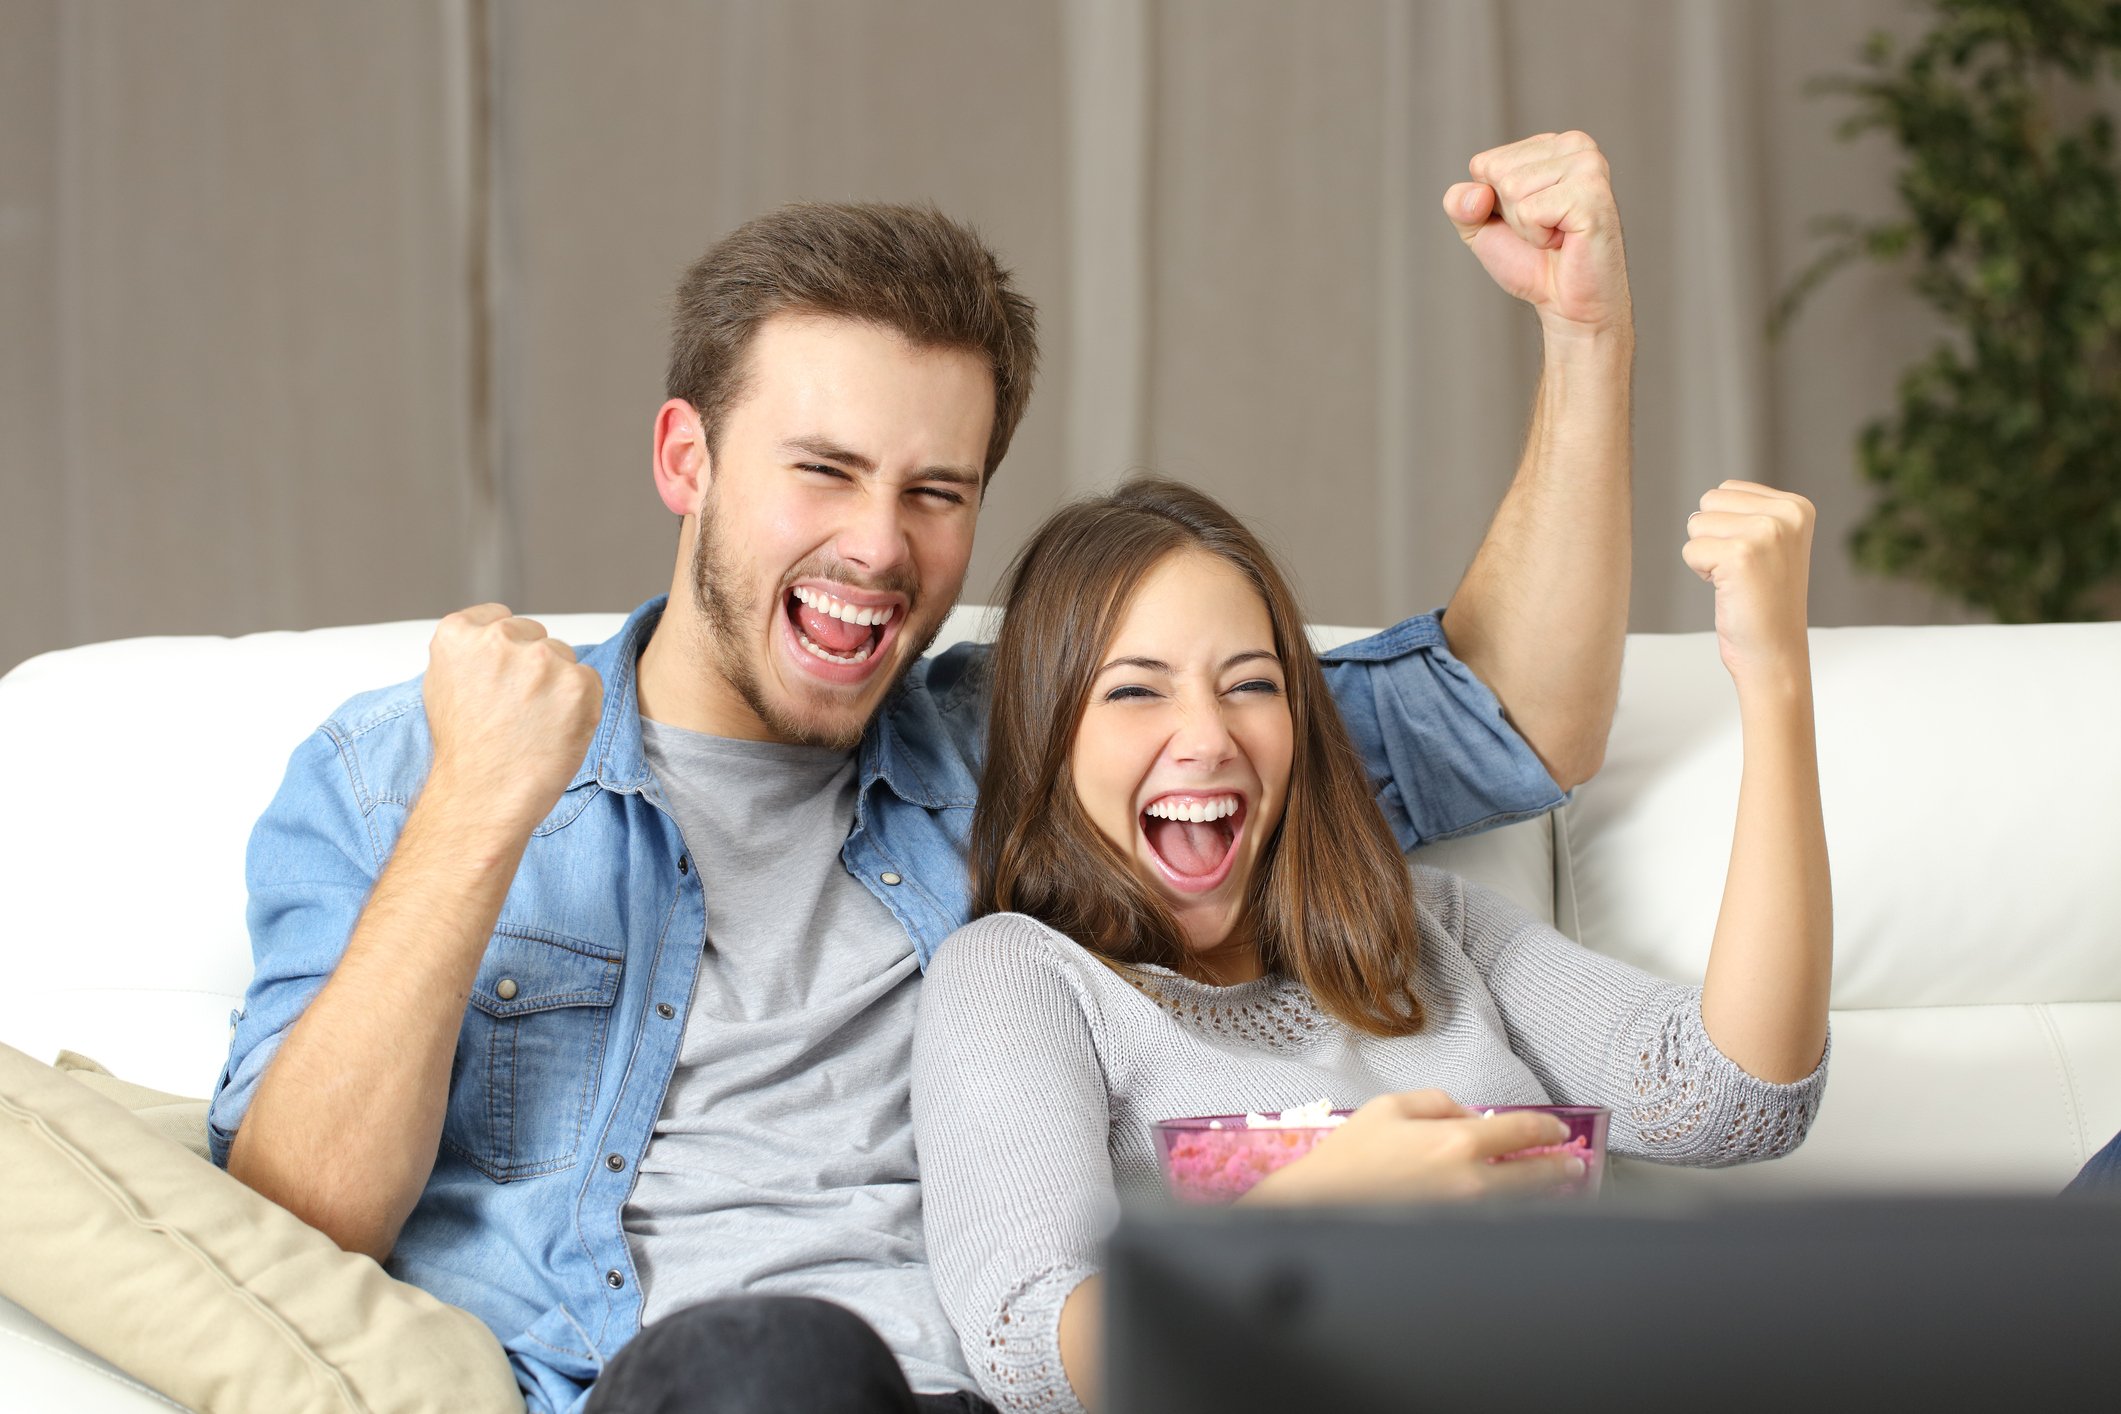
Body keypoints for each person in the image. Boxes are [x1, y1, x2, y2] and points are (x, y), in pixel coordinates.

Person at [209, 131, 1635, 1414]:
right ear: (682, 457)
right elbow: (297, 1216)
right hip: (705, 1383)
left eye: (934, 492)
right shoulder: (404, 772)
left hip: (1025, 1386)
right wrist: (478, 813)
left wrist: (1584, 337)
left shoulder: (1032, 737)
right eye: (822, 472)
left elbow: (1500, 717)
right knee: (785, 1364)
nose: (881, 547)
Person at [912, 475, 1834, 1414]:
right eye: (1136, 690)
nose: (1207, 735)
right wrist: (1311, 1210)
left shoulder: (1432, 927)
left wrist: (1775, 684)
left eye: (1251, 685)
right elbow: (1032, 1356)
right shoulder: (1018, 975)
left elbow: (1734, 1099)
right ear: (1046, 738)